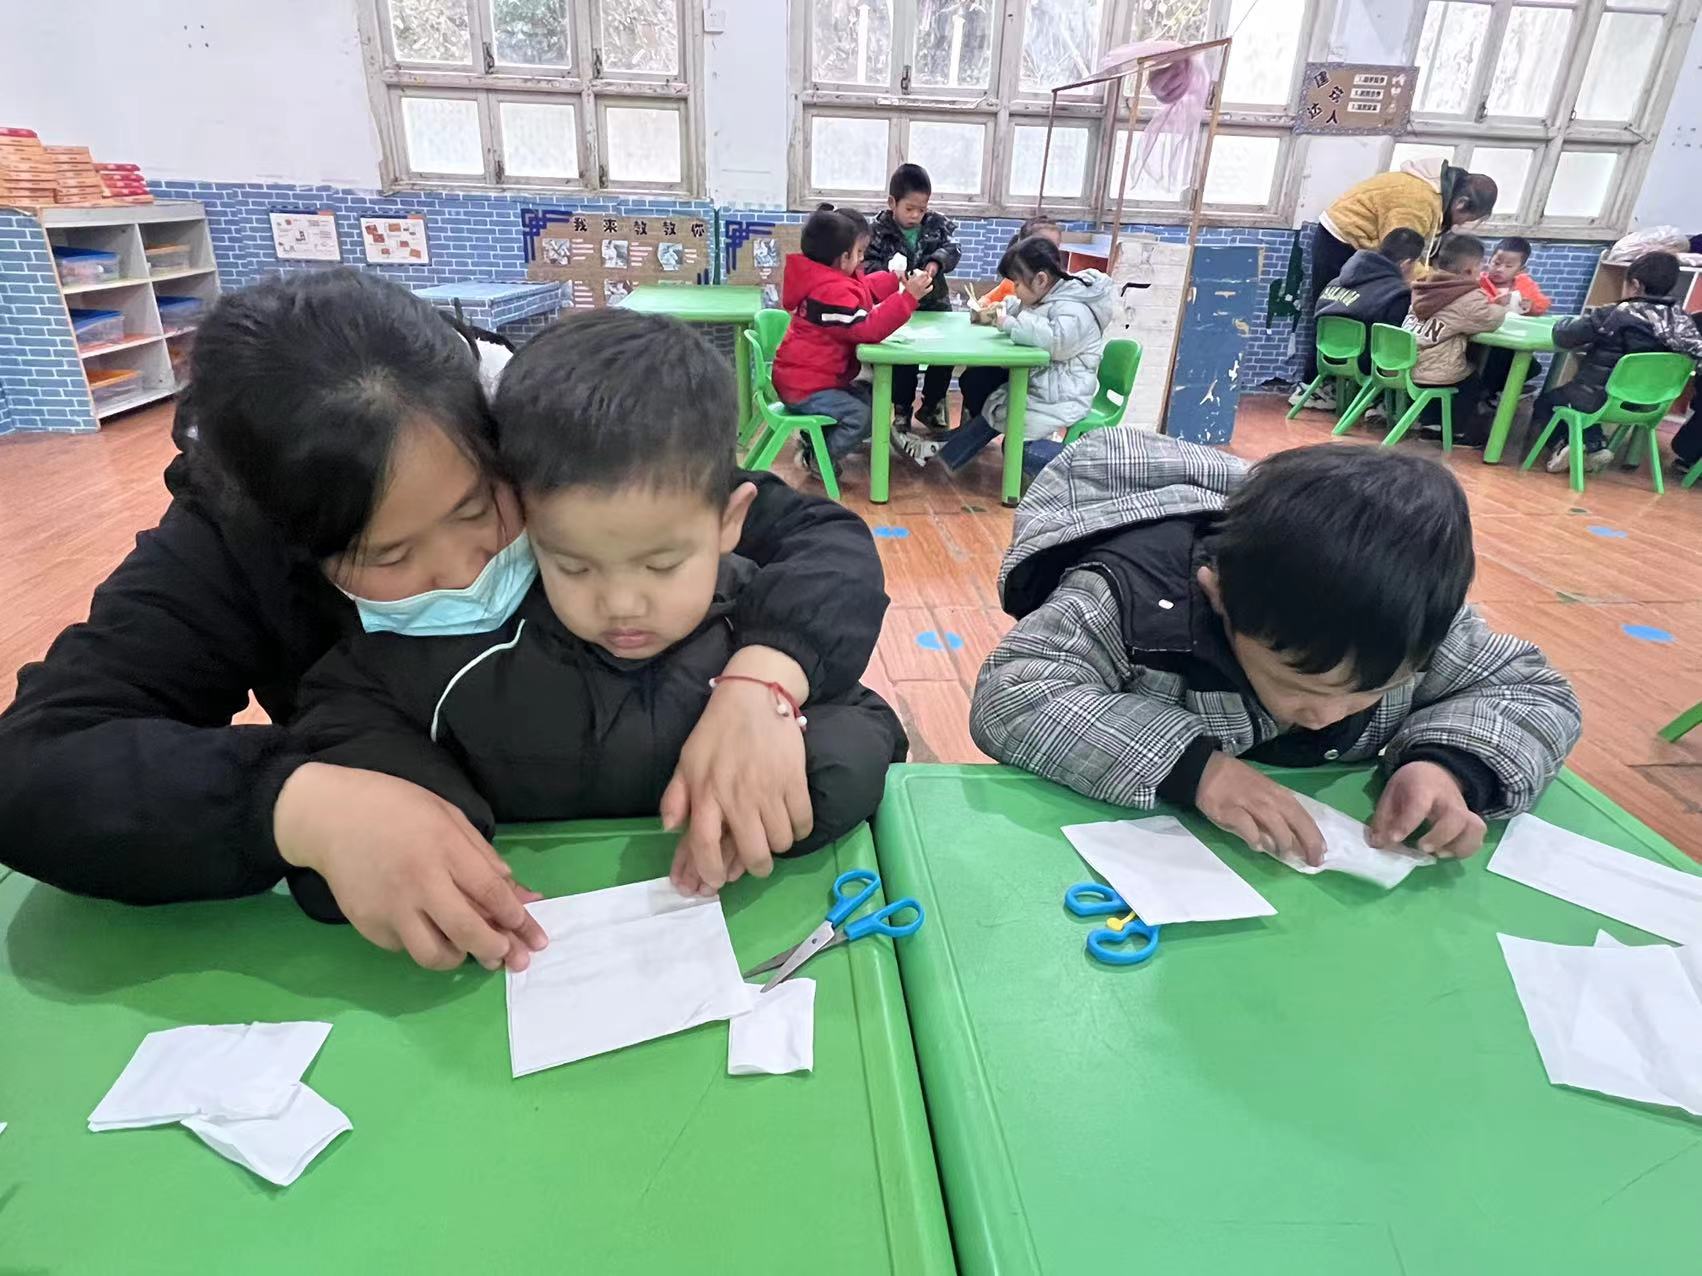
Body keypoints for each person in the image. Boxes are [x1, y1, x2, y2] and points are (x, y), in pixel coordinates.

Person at [0, 269, 893, 973]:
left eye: (480, 509)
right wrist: (297, 806)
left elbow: (811, 537)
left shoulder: (549, 431)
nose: (464, 568)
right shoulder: (237, 536)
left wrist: (767, 677)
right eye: (388, 556)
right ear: (298, 546)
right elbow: (36, 764)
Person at [293, 309, 907, 900]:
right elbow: (345, 729)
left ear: (729, 521)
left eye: (661, 565)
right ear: (523, 521)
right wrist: (419, 828)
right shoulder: (464, 651)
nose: (621, 604)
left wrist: (780, 779)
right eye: (573, 565)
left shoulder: (756, 621)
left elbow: (870, 729)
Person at [970, 431, 1581, 864]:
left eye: (1375, 692)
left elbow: (1531, 691)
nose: (1326, 716)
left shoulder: (1402, 624)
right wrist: (1195, 767)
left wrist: (1449, 765)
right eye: (1298, 685)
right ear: (1217, 596)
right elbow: (1015, 694)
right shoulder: (1129, 596)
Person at [894, 236, 1112, 477]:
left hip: (1062, 395)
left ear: (1041, 279)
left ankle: (1091, 468)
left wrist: (1009, 323)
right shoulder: (1046, 296)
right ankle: (940, 453)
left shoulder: (1076, 309)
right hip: (1045, 386)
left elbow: (1055, 340)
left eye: (1017, 284)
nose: (1014, 290)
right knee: (996, 408)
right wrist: (996, 310)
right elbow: (1019, 306)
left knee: (1017, 447)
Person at [1293, 159, 1498, 407]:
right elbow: (1403, 255)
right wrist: (1438, 286)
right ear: (1461, 202)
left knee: (1343, 315)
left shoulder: (1431, 194)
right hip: (1342, 243)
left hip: (1355, 245)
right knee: (1343, 315)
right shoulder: (1419, 200)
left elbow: (1407, 258)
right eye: (1464, 218)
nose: (1457, 224)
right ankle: (1318, 386)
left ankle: (1334, 386)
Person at [772, 204, 931, 484]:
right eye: (858, 252)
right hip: (805, 387)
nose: (862, 258)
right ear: (843, 257)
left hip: (811, 379)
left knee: (871, 400)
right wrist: (907, 298)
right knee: (863, 416)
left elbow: (862, 290)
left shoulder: (827, 280)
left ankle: (815, 438)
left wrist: (892, 280)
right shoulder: (829, 291)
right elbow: (866, 327)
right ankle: (818, 458)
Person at [1540, 251, 1702, 475]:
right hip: (1649, 404)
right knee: (1583, 405)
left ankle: (1570, 446)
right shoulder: (1682, 321)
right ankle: (1594, 444)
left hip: (1598, 397)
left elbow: (1565, 337)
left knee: (1549, 402)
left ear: (1635, 285)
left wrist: (1563, 322)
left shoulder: (1616, 313)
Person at [862, 163, 962, 433]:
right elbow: (867, 266)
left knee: (944, 354)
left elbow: (953, 249)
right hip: (897, 307)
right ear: (892, 203)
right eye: (909, 209)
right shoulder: (877, 231)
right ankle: (902, 409)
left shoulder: (936, 224)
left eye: (922, 209)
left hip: (934, 306)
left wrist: (936, 263)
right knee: (903, 359)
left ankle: (931, 405)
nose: (916, 215)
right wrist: (891, 274)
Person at [1403, 233, 1511, 447]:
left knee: (1449, 364)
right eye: (1481, 267)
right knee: (1471, 379)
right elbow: (1489, 320)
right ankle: (1457, 431)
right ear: (1469, 271)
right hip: (1431, 370)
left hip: (1404, 363)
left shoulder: (1423, 285)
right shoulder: (1466, 296)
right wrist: (1501, 306)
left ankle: (1431, 423)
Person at [959, 216, 1065, 426]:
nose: (1050, 256)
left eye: (1055, 249)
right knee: (975, 379)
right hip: (1022, 363)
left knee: (992, 389)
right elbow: (997, 304)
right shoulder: (1020, 282)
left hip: (1046, 376)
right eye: (1042, 247)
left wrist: (1009, 323)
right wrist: (990, 313)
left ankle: (969, 436)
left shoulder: (1060, 292)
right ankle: (968, 433)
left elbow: (1053, 338)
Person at [1314, 226, 1425, 370]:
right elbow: (1392, 349)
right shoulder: (1396, 295)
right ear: (1406, 264)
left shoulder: (1334, 282)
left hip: (1323, 359)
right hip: (1365, 367)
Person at [1477, 236, 1552, 408]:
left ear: (1521, 270)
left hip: (1512, 340)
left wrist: (1530, 306)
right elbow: (1473, 306)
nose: (1499, 269)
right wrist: (1494, 304)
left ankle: (1493, 393)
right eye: (1496, 263)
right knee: (1491, 363)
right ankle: (1486, 394)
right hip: (1484, 340)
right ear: (1489, 260)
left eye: (1508, 266)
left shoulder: (1525, 285)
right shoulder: (1480, 282)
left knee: (1532, 367)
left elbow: (1542, 305)